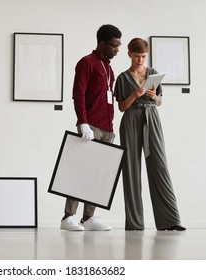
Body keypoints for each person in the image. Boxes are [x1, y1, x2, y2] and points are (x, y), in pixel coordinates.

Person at [113, 38, 186, 231]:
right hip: (130, 120)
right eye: (136, 56)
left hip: (151, 118)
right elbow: (121, 107)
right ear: (129, 54)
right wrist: (134, 95)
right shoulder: (122, 78)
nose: (140, 60)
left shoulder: (153, 73)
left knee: (159, 166)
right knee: (131, 170)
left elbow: (160, 102)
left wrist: (155, 97)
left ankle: (170, 221)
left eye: (143, 56)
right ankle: (135, 224)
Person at [60, 24, 122, 231]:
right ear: (102, 43)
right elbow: (78, 94)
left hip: (107, 128)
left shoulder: (109, 68)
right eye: (114, 46)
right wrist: (83, 122)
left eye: (119, 46)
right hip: (91, 126)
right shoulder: (86, 63)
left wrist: (111, 128)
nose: (117, 49)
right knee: (80, 172)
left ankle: (89, 218)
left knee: (97, 175)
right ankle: (68, 217)